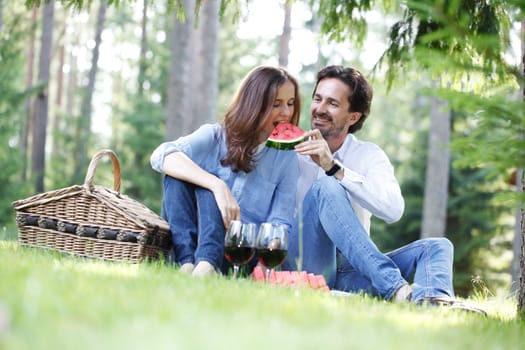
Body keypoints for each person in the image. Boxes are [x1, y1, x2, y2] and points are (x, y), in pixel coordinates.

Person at [283, 65, 485, 314]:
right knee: (325, 186)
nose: (320, 109)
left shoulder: (369, 155)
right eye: (317, 98)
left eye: (332, 103)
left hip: (351, 272)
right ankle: (399, 290)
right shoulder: (288, 150)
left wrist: (335, 168)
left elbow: (393, 210)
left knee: (438, 246)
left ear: (353, 117)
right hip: (303, 266)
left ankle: (435, 305)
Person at [151, 66, 301, 277]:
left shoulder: (286, 157)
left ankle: (206, 265)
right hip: (192, 246)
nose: (286, 112)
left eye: (290, 103)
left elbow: (280, 222)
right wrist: (217, 186)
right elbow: (161, 155)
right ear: (254, 104)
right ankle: (186, 265)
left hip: (238, 253)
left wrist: (272, 251)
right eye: (276, 104)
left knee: (203, 180)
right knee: (180, 178)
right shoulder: (215, 136)